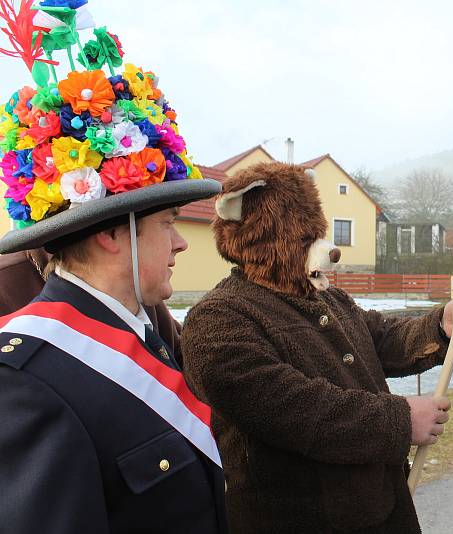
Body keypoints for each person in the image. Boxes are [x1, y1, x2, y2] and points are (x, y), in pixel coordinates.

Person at [0, 2, 227, 531]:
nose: (181, 244)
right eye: (168, 223)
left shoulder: (142, 330)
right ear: (110, 233)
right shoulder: (27, 383)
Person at [180, 162, 453, 533]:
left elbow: (381, 338)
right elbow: (292, 408)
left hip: (381, 510)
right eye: (302, 240)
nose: (325, 249)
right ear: (259, 243)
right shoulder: (218, 318)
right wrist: (400, 421)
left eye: (317, 235)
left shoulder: (329, 299)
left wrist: (442, 326)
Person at [0, 247, 182, 359]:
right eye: (165, 223)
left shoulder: (132, 283)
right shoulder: (7, 282)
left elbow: (178, 357)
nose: (180, 244)